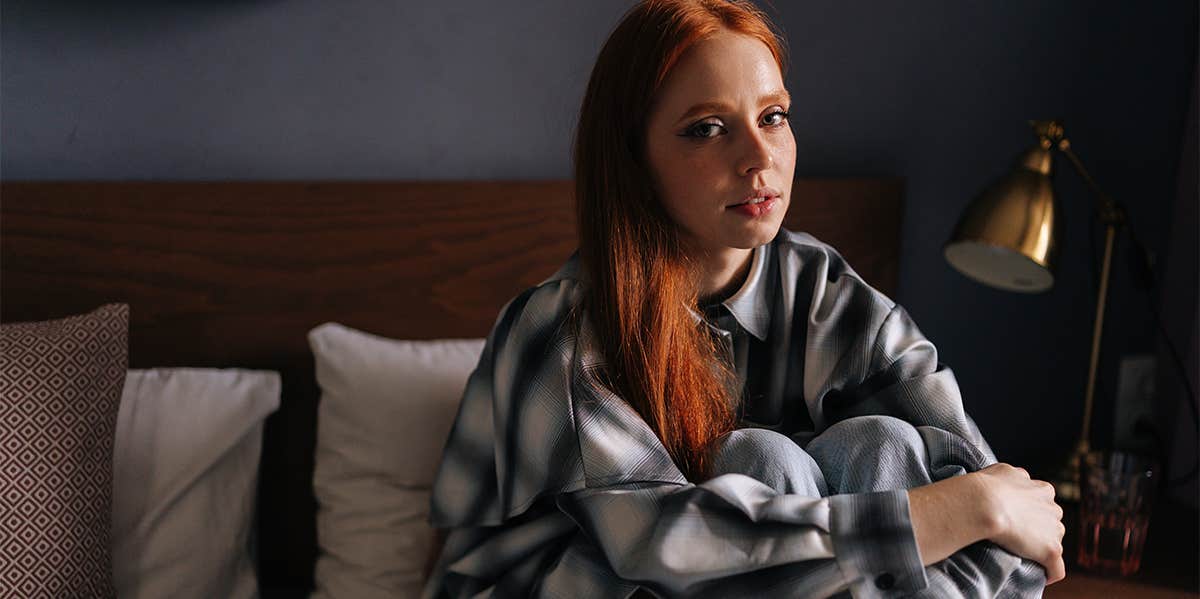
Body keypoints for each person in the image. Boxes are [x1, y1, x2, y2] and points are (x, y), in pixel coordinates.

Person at [423, 1, 1065, 597]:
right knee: (757, 459)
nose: (759, 158)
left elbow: (1004, 514)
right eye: (706, 129)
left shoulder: (827, 295)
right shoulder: (561, 331)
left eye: (773, 117)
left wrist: (976, 508)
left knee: (884, 442)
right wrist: (948, 513)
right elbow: (666, 546)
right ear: (633, 158)